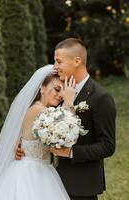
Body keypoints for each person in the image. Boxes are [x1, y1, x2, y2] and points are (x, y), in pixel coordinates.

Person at [0, 65, 76, 200]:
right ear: (42, 87)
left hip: (41, 168)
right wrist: (69, 103)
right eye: (57, 89)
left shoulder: (38, 109)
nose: (61, 94)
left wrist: (19, 143)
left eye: (64, 91)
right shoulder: (40, 111)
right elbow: (68, 131)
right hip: (31, 173)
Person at [50, 38, 116, 200]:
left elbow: (107, 145)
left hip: (81, 186)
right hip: (51, 180)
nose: (55, 67)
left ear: (77, 61)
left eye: (59, 61)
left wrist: (71, 152)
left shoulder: (100, 98)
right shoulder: (55, 91)